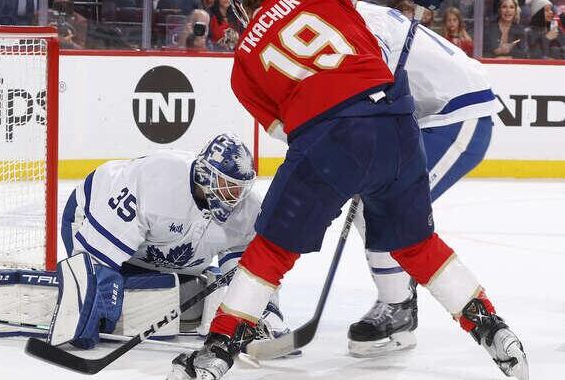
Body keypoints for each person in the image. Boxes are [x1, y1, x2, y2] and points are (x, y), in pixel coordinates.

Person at [166, 0, 528, 380]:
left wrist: (332, 182)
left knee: (271, 248)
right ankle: (493, 329)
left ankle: (216, 352)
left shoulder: (241, 68)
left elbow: (290, 131)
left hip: (332, 141)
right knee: (417, 245)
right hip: (397, 124)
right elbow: (373, 57)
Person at [347, 0, 503, 357]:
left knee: (384, 209)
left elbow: (376, 95)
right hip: (436, 116)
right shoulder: (360, 16)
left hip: (458, 116)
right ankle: (398, 298)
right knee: (371, 204)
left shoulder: (362, 24)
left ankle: (398, 308)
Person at [44, 133, 294, 352]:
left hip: (160, 256)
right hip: (90, 219)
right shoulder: (157, 180)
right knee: (106, 299)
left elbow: (250, 265)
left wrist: (261, 306)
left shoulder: (247, 209)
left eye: (239, 188)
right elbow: (96, 251)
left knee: (201, 301)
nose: (234, 196)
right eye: (226, 185)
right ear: (205, 175)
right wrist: (91, 290)